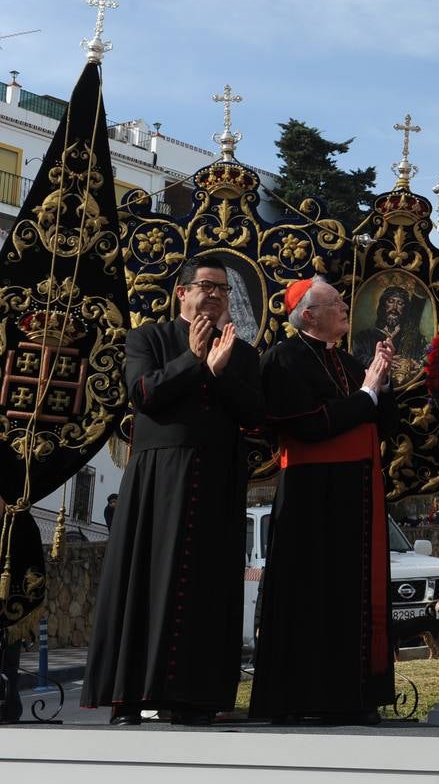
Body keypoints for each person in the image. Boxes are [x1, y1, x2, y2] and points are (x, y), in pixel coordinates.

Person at [83, 256, 264, 725]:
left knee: (207, 585)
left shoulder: (241, 352)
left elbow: (255, 413)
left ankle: (194, 696)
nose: (216, 295)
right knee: (145, 578)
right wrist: (197, 363)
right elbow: (144, 393)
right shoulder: (149, 338)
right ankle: (129, 697)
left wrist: (220, 371)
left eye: (224, 289)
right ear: (182, 292)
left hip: (218, 478)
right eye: (207, 286)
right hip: (159, 477)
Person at [248, 276, 398, 724]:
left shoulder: (350, 363)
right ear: (309, 314)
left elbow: (380, 424)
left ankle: (353, 697)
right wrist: (367, 393)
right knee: (310, 592)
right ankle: (300, 698)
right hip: (312, 495)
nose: (345, 307)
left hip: (356, 492)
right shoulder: (283, 358)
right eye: (335, 302)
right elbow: (309, 425)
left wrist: (381, 384)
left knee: (352, 593)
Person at [352, 283, 427, 385]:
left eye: (400, 303)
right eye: (390, 302)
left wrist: (415, 364)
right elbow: (356, 359)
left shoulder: (417, 339)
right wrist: (379, 361)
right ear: (383, 305)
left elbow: (424, 361)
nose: (394, 308)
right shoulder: (364, 337)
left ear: (405, 308)